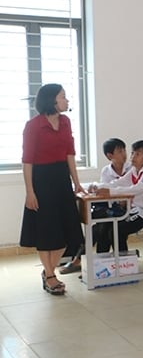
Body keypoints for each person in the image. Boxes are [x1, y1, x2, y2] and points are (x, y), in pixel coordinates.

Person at [20, 83, 85, 295]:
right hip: (41, 180)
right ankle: (50, 275)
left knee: (66, 232)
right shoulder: (34, 125)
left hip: (61, 180)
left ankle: (49, 271)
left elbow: (70, 154)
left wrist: (76, 182)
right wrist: (30, 191)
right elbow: (27, 161)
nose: (67, 101)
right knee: (46, 232)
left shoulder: (65, 122)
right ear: (52, 100)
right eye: (63, 97)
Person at [60, 137, 132, 274]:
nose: (124, 154)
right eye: (119, 151)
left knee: (102, 226)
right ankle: (101, 264)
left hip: (129, 210)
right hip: (113, 209)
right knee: (103, 225)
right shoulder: (106, 171)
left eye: (124, 150)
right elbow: (106, 193)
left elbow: (131, 190)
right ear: (110, 156)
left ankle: (84, 261)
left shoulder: (131, 169)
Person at [92, 140, 143, 254]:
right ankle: (114, 260)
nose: (132, 157)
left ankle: (123, 262)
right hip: (139, 210)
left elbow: (134, 190)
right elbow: (119, 182)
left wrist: (110, 192)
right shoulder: (134, 170)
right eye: (132, 153)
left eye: (138, 154)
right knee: (111, 226)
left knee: (118, 230)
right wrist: (96, 186)